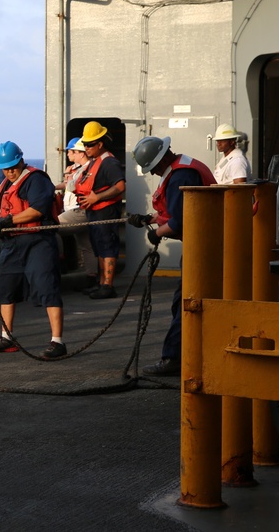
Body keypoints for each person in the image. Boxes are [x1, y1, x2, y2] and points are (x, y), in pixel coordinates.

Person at [0, 141, 66, 359]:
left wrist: (8, 221)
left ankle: (57, 341)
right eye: (6, 168)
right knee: (5, 289)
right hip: (11, 245)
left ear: (21, 160)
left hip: (37, 241)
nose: (10, 171)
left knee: (47, 287)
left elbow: (38, 210)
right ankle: (7, 337)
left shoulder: (37, 179)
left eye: (13, 166)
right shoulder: (3, 187)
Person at [129, 135, 216, 376]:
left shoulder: (181, 176)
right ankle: (194, 353)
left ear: (158, 162)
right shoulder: (183, 167)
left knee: (187, 303)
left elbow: (180, 222)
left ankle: (173, 358)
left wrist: (157, 233)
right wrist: (149, 219)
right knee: (186, 301)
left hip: (204, 247)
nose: (154, 173)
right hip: (208, 244)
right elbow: (179, 210)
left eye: (152, 169)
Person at [74, 121, 126, 299]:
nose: (86, 148)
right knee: (99, 247)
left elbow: (119, 186)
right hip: (94, 212)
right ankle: (101, 283)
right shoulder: (95, 162)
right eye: (85, 144)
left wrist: (97, 197)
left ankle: (108, 286)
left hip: (106, 211)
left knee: (107, 247)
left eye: (89, 144)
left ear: (100, 144)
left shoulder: (109, 163)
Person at [55, 137, 96, 289]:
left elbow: (72, 186)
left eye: (71, 151)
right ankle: (92, 277)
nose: (68, 154)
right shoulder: (84, 168)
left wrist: (68, 176)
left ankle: (60, 262)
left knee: (51, 227)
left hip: (79, 210)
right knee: (86, 246)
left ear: (80, 153)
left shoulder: (85, 169)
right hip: (81, 211)